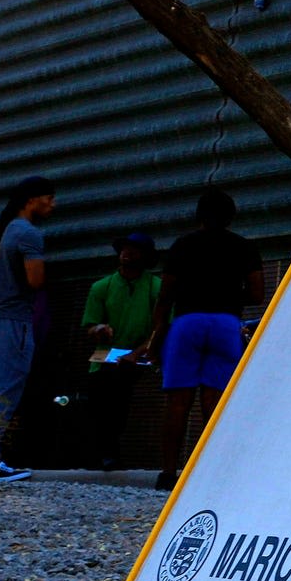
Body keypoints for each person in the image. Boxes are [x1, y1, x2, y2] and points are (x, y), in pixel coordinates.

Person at [160, 189, 262, 470]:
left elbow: (166, 294)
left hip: (187, 321)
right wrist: (227, 296)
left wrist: (156, 332)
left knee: (178, 402)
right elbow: (257, 294)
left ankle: (168, 473)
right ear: (231, 217)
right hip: (225, 323)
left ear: (199, 216)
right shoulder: (245, 247)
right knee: (215, 402)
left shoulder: (182, 245)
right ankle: (209, 472)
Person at [0, 177, 57, 482]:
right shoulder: (28, 233)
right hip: (12, 319)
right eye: (49, 198)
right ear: (32, 200)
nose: (53, 204)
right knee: (4, 389)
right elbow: (35, 280)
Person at [80, 232, 164, 466]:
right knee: (100, 400)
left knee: (117, 397)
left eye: (134, 250)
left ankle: (109, 453)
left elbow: (162, 325)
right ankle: (102, 453)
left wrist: (138, 352)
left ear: (145, 256)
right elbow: (89, 326)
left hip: (139, 357)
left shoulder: (156, 288)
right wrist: (99, 329)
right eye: (124, 249)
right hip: (105, 358)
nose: (127, 253)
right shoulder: (102, 287)